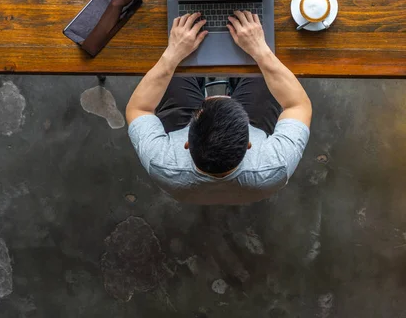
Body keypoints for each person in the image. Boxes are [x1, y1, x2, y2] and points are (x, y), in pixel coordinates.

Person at [126, 10, 312, 205]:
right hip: (247, 182)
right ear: (250, 144)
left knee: (168, 73)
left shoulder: (161, 162)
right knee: (268, 71)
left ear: (186, 143)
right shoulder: (276, 164)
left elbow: (138, 109)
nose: (218, 95)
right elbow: (298, 105)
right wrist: (260, 50)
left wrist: (173, 54)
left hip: (187, 181)